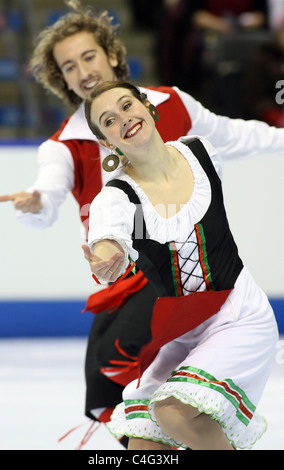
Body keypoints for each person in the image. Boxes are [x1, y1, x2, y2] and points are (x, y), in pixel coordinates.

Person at [0, 0, 284, 434]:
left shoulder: (172, 105)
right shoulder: (64, 146)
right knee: (118, 403)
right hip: (129, 284)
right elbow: (50, 192)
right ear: (62, 79)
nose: (84, 70)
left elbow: (234, 135)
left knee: (157, 398)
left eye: (89, 56)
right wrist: (37, 203)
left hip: (187, 286)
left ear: (112, 54)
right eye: (69, 66)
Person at [83, 80, 279, 450]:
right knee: (143, 445)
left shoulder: (201, 152)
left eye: (127, 106)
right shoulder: (116, 198)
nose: (123, 119)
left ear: (148, 106)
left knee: (172, 412)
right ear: (107, 142)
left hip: (239, 315)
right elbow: (109, 239)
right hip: (182, 332)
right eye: (109, 121)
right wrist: (108, 258)